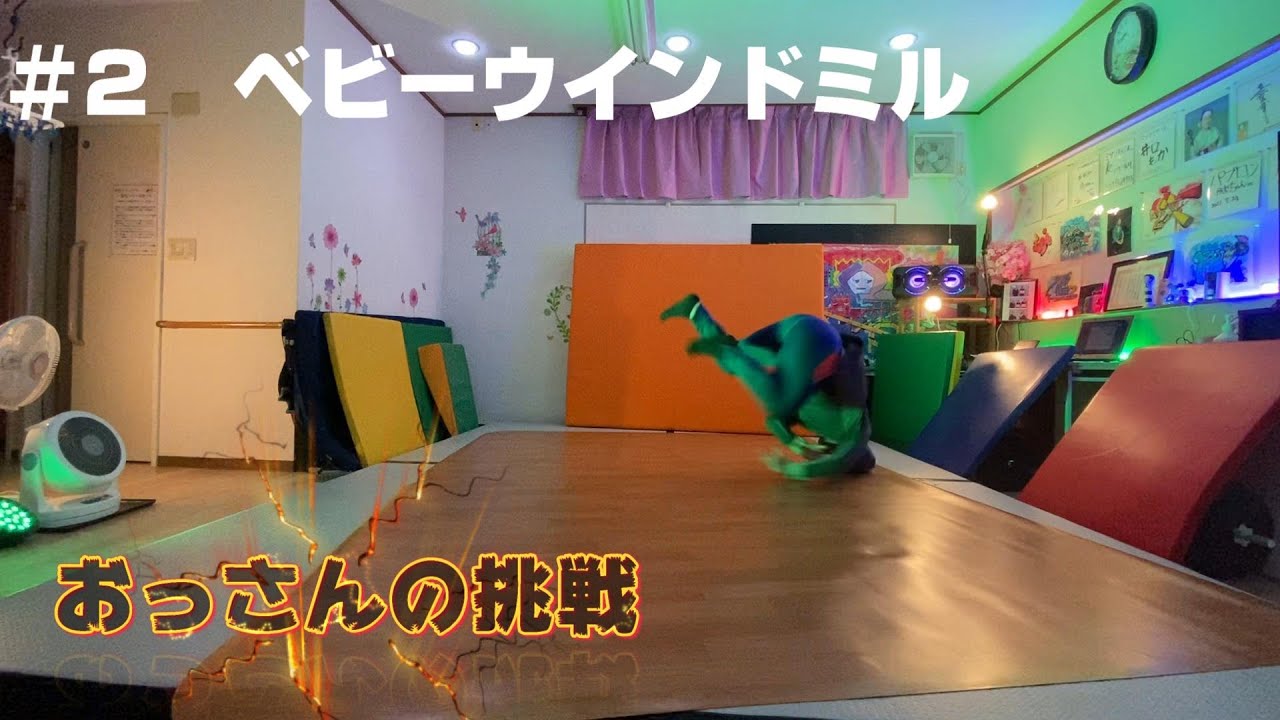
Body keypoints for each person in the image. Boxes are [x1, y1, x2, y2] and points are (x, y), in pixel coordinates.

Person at [660, 293, 875, 480]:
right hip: (818, 342)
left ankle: (695, 311)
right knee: (777, 401)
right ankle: (727, 353)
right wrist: (794, 469)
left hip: (801, 329)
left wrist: (796, 444)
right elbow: (840, 461)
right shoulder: (854, 429)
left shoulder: (817, 418)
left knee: (738, 351)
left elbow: (773, 421)